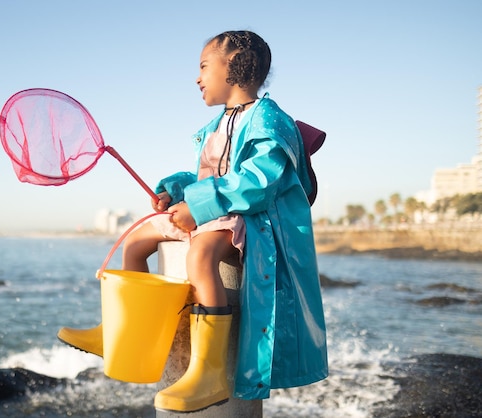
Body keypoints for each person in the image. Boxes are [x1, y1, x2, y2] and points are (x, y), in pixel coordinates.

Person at [58, 30, 328, 412]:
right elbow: (206, 178)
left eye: (203, 66)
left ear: (234, 66)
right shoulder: (220, 123)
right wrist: (175, 192)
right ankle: (119, 335)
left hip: (248, 221)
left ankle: (209, 370)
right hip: (211, 211)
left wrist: (198, 206)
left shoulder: (269, 120)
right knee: (136, 241)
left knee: (200, 256)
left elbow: (256, 184)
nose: (197, 77)